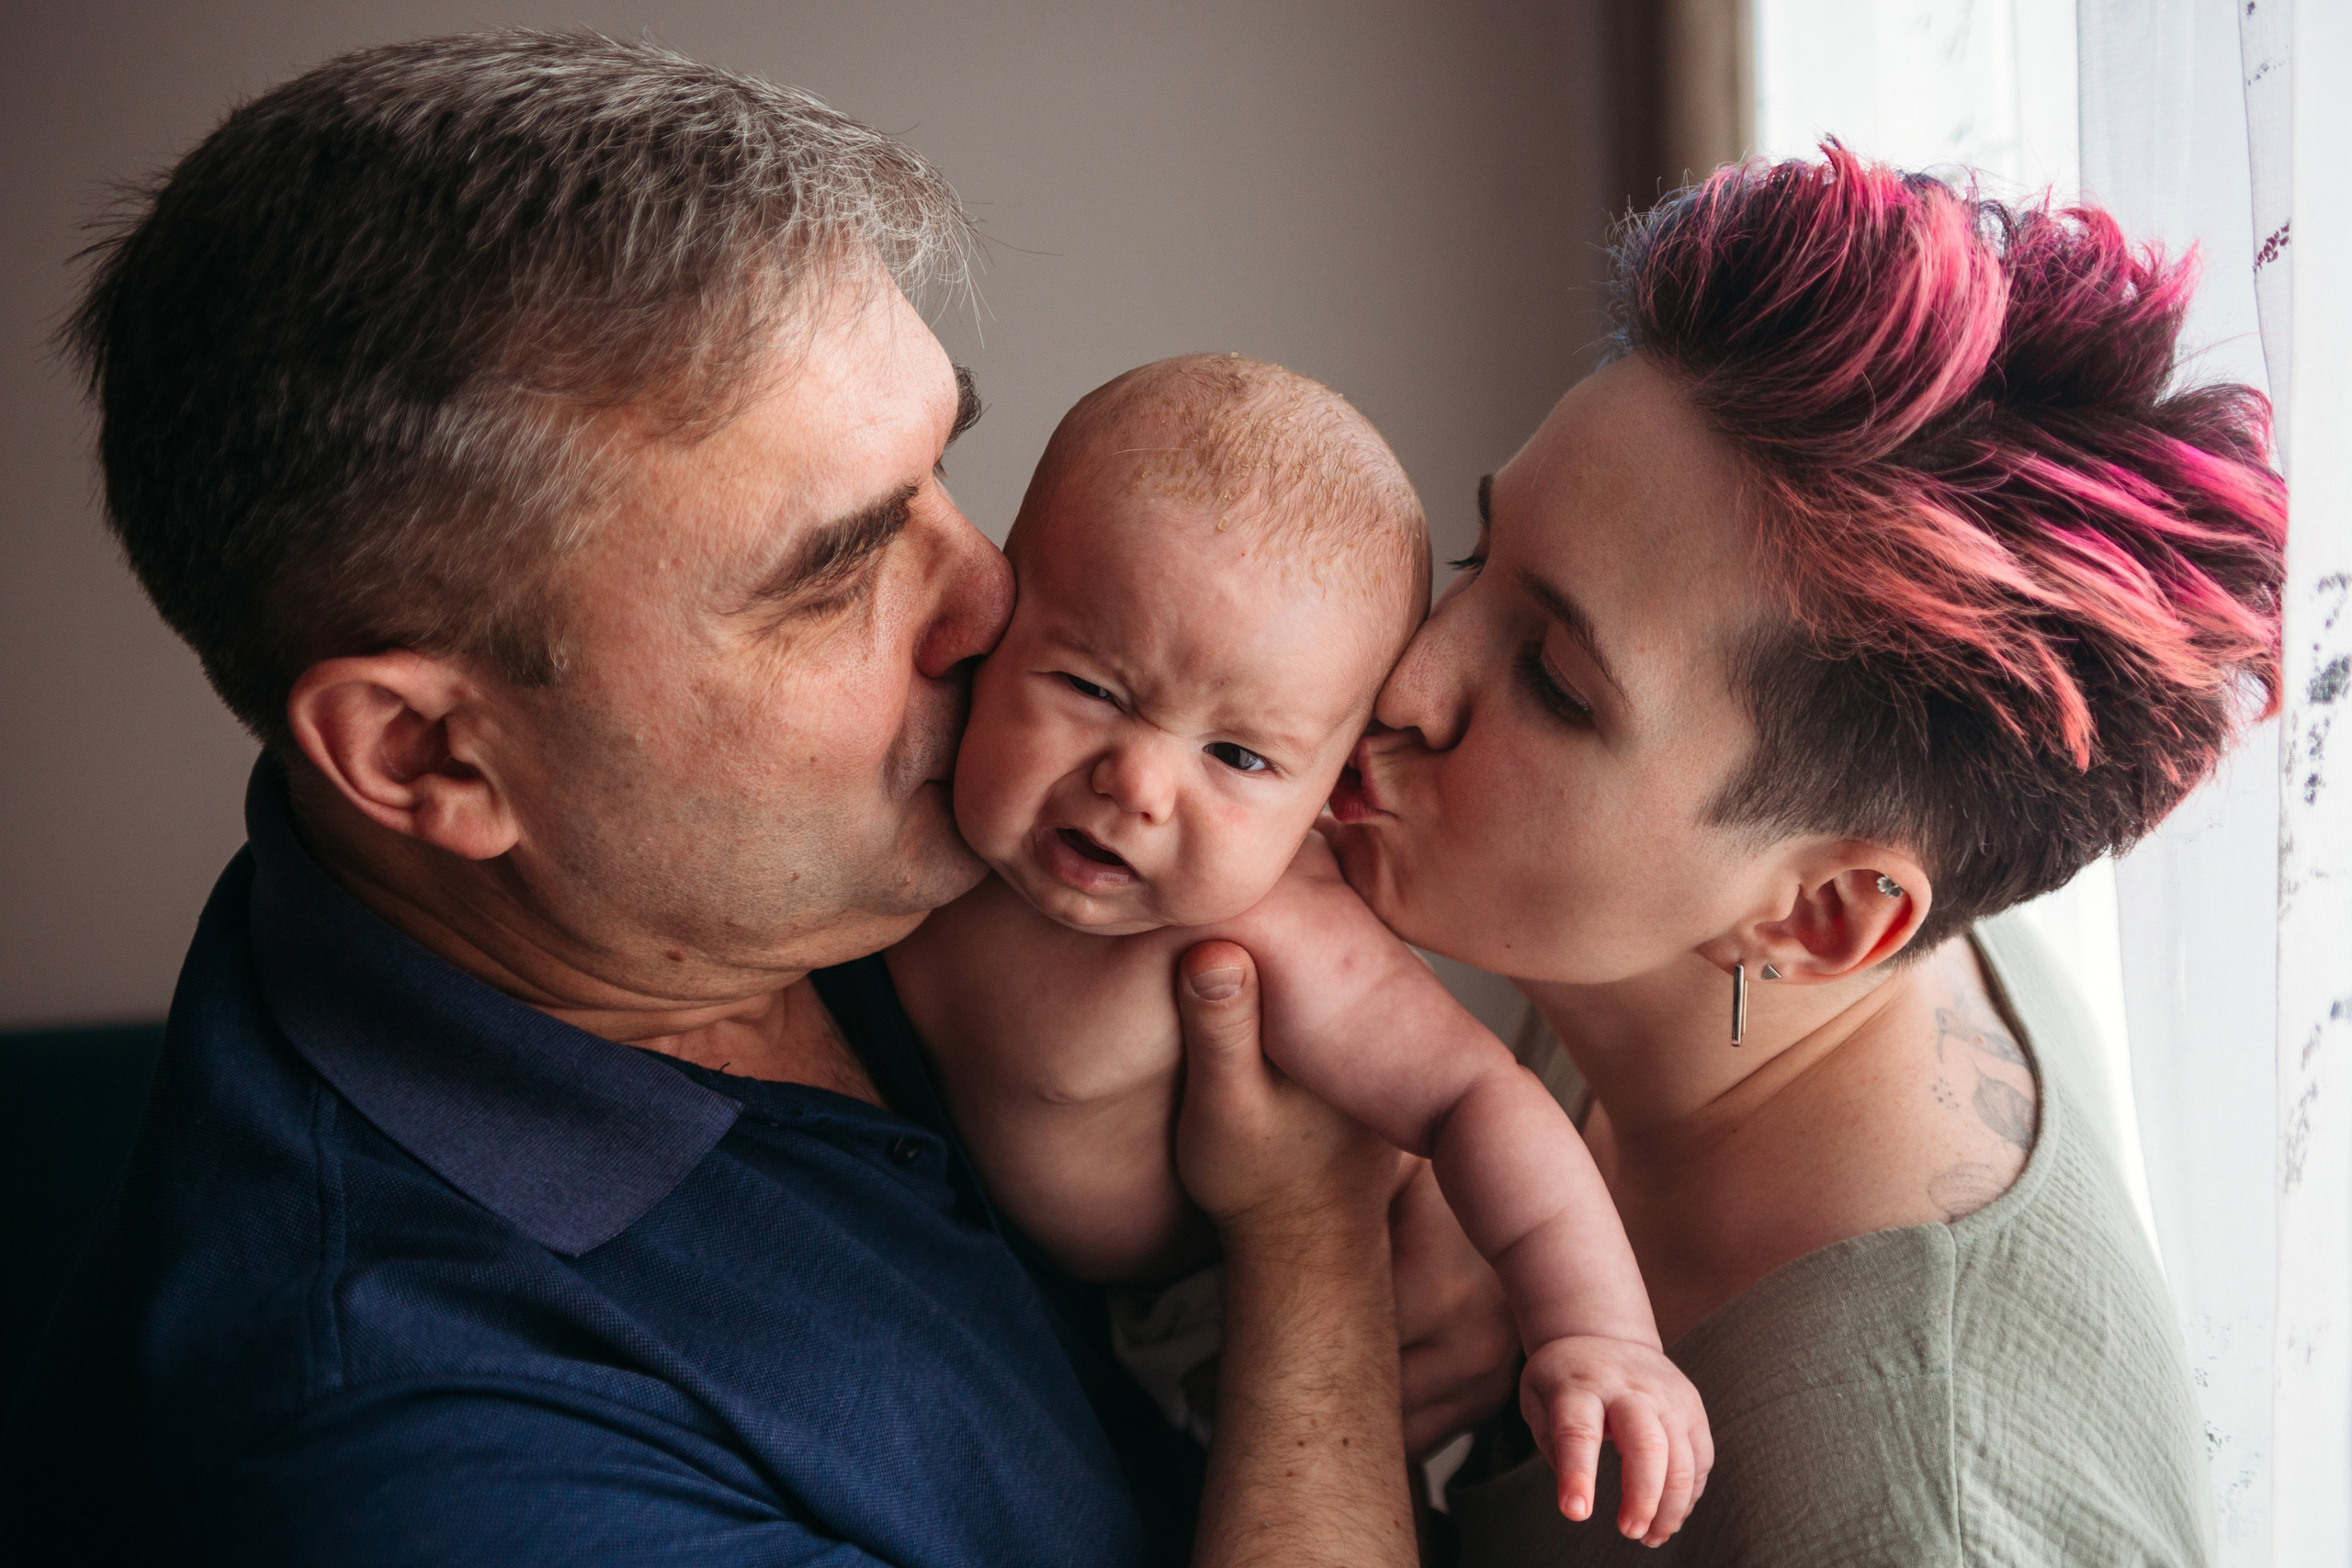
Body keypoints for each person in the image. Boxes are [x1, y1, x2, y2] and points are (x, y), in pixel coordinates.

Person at [0, 31, 1510, 1566]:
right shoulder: (423, 1462)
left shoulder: (765, 864)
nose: (994, 601)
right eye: (837, 571)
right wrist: (1310, 1243)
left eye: (944, 470)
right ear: (428, 756)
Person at [1198, 148, 2285, 1563]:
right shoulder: (1718, 949)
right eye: (1476, 555)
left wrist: (1311, 1246)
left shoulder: (1912, 1520)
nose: (1405, 678)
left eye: (1556, 684)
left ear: (1827, 917)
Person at [892, 353, 1709, 1544]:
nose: (1137, 782)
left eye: (1238, 757)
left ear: (1333, 791)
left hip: (1205, 1322)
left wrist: (1593, 1331)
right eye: (1089, 686)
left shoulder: (1275, 918)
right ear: (995, 620)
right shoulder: (904, 782)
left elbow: (1476, 1097)